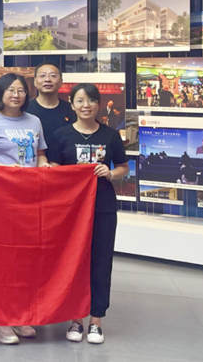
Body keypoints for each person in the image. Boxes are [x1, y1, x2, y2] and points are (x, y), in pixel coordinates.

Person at [50, 83, 128, 345]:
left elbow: (124, 167)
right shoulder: (61, 135)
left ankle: (96, 321)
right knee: (74, 262)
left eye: (91, 100)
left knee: (101, 262)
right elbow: (53, 167)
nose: (86, 105)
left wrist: (111, 173)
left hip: (103, 207)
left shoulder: (110, 135)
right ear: (72, 105)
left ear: (98, 105)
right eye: (80, 100)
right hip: (71, 210)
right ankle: (76, 318)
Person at [0, 73, 48, 344]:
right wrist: (5, 170)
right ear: (0, 93)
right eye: (10, 90)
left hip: (29, 200)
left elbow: (40, 154)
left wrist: (44, 167)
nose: (16, 95)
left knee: (23, 259)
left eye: (21, 90)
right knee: (0, 260)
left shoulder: (34, 121)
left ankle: (17, 315)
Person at [26, 62, 76, 160]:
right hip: (32, 164)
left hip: (65, 165)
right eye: (42, 76)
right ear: (35, 81)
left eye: (53, 76)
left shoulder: (72, 110)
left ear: (61, 81)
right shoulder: (25, 110)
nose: (47, 79)